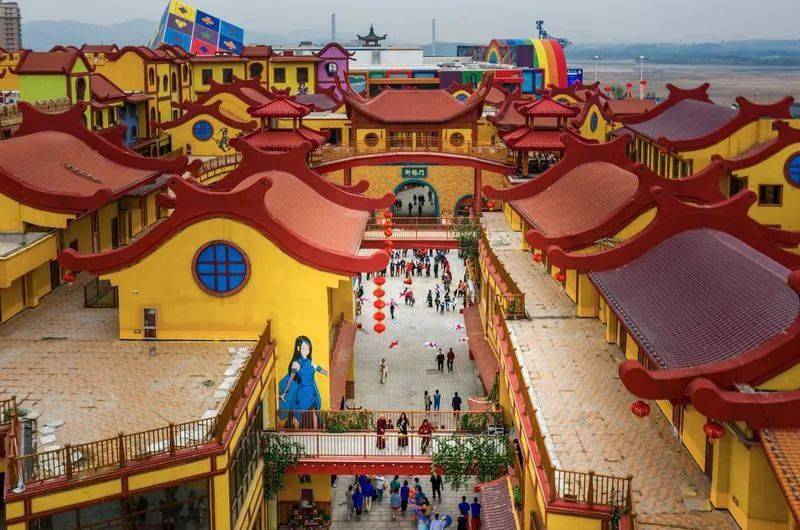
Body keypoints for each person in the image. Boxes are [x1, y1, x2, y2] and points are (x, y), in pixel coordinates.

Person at [278, 336, 328, 428]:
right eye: (303, 348)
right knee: (298, 413)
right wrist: (284, 393)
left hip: (311, 392)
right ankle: (298, 432)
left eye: (308, 349)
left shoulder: (311, 362)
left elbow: (320, 370)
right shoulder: (296, 363)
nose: (306, 351)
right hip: (301, 393)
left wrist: (328, 373)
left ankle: (315, 432)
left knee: (313, 412)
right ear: (298, 348)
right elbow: (290, 379)